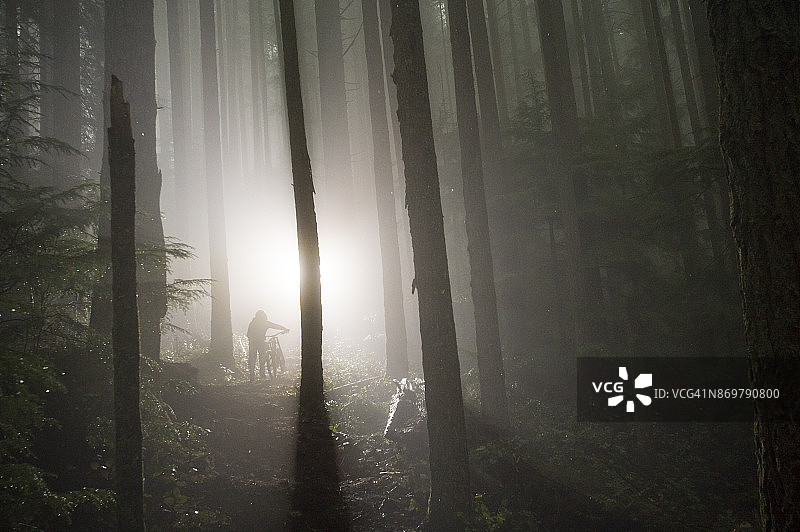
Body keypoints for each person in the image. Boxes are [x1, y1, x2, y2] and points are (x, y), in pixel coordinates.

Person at [246, 310, 289, 381]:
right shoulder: (265, 323)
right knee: (262, 357)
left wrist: (252, 338)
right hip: (260, 342)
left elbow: (248, 334)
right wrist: (284, 328)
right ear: (264, 317)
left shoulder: (252, 323)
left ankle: (252, 375)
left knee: (252, 358)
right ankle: (262, 373)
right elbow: (275, 326)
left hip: (252, 342)